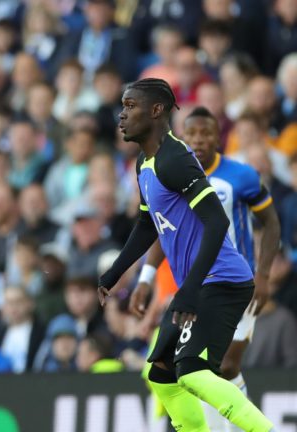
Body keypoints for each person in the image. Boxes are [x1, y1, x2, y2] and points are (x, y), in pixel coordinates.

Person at [97, 78, 274, 432]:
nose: (122, 115)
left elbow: (217, 221)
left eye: (130, 106)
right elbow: (148, 224)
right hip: (200, 284)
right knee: (161, 375)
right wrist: (115, 272)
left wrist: (190, 290)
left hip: (222, 281)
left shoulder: (175, 159)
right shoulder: (145, 163)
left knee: (193, 372)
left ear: (156, 110)